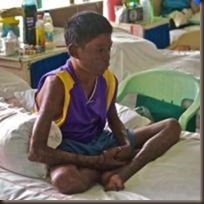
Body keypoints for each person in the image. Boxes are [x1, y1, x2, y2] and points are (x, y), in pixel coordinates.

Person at [28, 11, 181, 194]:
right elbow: (36, 151)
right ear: (75, 51)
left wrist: (123, 144)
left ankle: (123, 172)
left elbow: (113, 118)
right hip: (70, 148)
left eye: (109, 48)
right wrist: (94, 161)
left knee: (172, 126)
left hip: (101, 141)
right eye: (100, 50)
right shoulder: (57, 84)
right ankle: (107, 170)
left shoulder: (108, 79)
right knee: (66, 182)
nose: (107, 56)